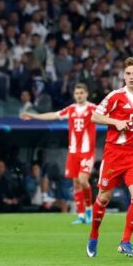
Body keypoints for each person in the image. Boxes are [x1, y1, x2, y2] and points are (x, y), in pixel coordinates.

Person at [87, 57, 133, 258]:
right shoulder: (115, 96)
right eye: (127, 74)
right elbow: (95, 116)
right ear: (123, 76)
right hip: (114, 154)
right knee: (104, 197)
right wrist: (115, 122)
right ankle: (93, 235)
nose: (131, 77)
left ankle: (125, 241)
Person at [21, 83, 97, 225]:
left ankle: (89, 210)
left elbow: (106, 116)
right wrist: (33, 116)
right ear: (74, 95)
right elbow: (53, 115)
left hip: (87, 152)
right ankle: (81, 215)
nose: (79, 95)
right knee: (75, 183)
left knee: (83, 180)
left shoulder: (93, 109)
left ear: (86, 94)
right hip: (73, 152)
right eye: (77, 93)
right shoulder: (71, 109)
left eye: (81, 93)